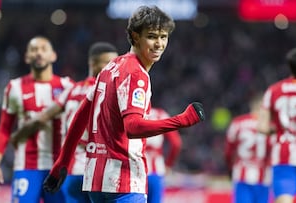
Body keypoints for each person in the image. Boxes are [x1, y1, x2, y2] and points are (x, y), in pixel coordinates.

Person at [43, 5, 205, 203]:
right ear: (135, 36)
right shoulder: (136, 74)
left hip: (96, 180)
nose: (159, 44)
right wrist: (182, 120)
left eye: (163, 37)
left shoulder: (111, 67)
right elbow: (133, 127)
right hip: (124, 180)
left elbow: (80, 117)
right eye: (152, 36)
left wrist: (62, 162)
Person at [11, 41, 118, 203]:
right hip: (99, 172)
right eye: (109, 63)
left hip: (72, 172)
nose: (114, 68)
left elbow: (41, 118)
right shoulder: (111, 93)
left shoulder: (71, 91)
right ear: (93, 64)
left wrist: (17, 136)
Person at [0, 36, 74, 203]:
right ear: (27, 57)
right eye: (34, 50)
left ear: (53, 55)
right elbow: (4, 129)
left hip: (59, 168)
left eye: (43, 49)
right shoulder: (15, 87)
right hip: (26, 168)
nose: (39, 53)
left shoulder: (67, 86)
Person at [257, 46, 296, 203]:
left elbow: (262, 127)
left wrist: (279, 130)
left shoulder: (273, 90)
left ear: (290, 67)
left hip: (282, 156)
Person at [225, 93, 273, 203]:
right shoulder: (270, 127)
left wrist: (230, 169)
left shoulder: (238, 123)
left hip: (242, 175)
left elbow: (228, 151)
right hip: (263, 177)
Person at [145, 107, 182, 203]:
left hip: (134, 171)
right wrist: (169, 164)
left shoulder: (132, 112)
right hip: (155, 171)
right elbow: (176, 143)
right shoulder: (160, 115)